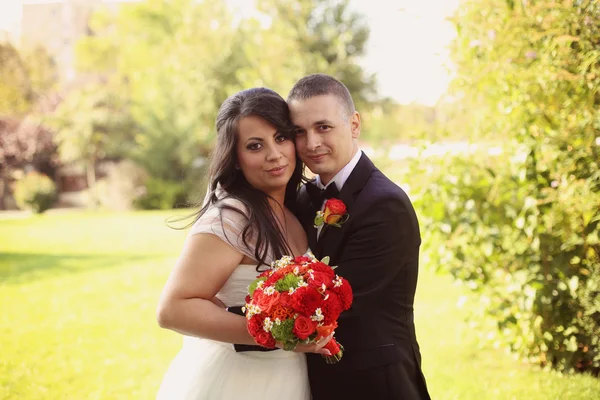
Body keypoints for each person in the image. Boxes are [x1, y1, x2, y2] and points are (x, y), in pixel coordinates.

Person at [155, 87, 330, 400]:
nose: (274, 154)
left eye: (280, 138)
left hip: (288, 377)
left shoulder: (294, 210)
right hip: (238, 380)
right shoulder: (232, 216)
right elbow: (172, 309)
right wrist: (277, 335)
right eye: (254, 146)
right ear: (234, 158)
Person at [288, 74, 431, 399]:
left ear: (354, 125)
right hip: (315, 379)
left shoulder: (385, 204)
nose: (311, 143)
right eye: (299, 132)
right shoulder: (301, 198)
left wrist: (246, 324)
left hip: (376, 381)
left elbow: (337, 301)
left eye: (323, 127)